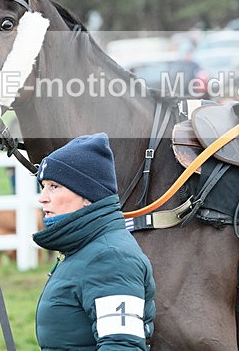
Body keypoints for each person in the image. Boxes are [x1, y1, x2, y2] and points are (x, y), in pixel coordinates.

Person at [33, 133, 156, 350]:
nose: (42, 197)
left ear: (86, 195)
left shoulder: (111, 257)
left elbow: (121, 346)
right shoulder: (84, 249)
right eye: (43, 186)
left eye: (54, 186)